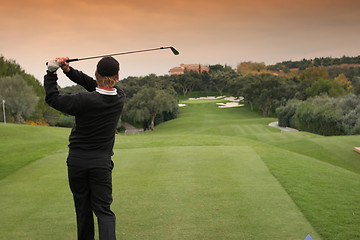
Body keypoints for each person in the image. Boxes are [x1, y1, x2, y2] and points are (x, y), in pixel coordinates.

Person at [44, 56, 125, 240]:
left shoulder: (83, 100)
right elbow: (95, 85)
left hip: (77, 163)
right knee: (104, 212)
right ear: (118, 76)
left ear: (96, 73)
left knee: (83, 210)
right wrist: (69, 71)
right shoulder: (120, 97)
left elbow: (53, 98)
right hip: (101, 164)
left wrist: (51, 73)